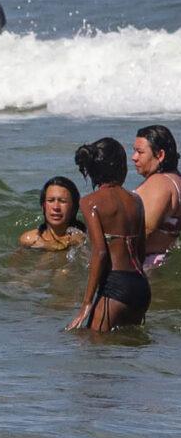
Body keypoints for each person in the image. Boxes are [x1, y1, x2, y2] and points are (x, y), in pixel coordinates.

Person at [70, 137, 148, 331]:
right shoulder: (136, 201)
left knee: (94, 347)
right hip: (141, 286)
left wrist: (87, 303)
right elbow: (141, 251)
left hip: (115, 286)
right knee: (127, 348)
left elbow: (101, 252)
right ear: (121, 167)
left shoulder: (90, 202)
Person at [131, 126, 181, 268]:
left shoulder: (159, 182)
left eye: (140, 152)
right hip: (160, 263)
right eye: (134, 150)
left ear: (160, 155)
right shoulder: (176, 180)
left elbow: (144, 231)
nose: (134, 157)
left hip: (144, 267)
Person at [19, 176, 87, 251]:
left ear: (74, 208)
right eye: (50, 200)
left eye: (62, 201)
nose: (56, 207)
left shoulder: (82, 238)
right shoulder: (29, 240)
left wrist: (46, 245)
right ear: (43, 206)